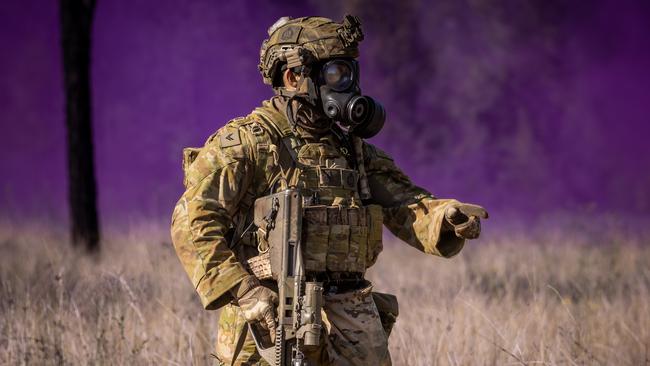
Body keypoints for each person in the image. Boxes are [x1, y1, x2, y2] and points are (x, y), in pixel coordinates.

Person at [171, 15, 487, 366]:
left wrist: (445, 217)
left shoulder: (352, 150)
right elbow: (192, 223)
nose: (347, 86)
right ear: (292, 77)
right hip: (271, 314)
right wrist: (244, 291)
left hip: (350, 319)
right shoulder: (247, 143)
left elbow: (403, 202)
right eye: (335, 74)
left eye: (350, 73)